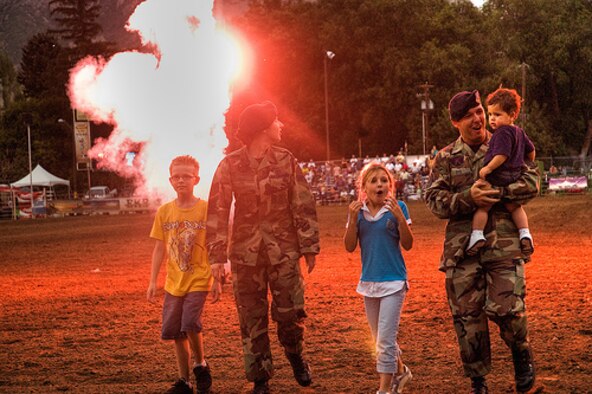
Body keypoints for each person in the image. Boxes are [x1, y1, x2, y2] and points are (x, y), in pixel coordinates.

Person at [425, 90, 540, 394]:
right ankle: (478, 381)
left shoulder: (508, 139)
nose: (477, 119)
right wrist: (467, 198)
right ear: (456, 123)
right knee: (468, 319)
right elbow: (434, 200)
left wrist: (499, 194)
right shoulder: (446, 158)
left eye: (479, 111)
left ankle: (521, 352)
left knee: (509, 310)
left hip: (503, 244)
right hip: (462, 250)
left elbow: (532, 182)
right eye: (469, 115)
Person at [206, 101, 320, 394]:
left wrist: (309, 245)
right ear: (263, 128)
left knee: (290, 315)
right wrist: (216, 257)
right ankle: (260, 378)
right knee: (251, 318)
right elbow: (217, 211)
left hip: (283, 253)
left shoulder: (286, 160)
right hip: (245, 255)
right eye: (276, 122)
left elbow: (302, 204)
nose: (281, 126)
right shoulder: (229, 165)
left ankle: (296, 357)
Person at [147, 155, 217, 394]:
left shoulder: (206, 209)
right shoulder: (165, 212)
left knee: (190, 323)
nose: (181, 180)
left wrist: (218, 277)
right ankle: (184, 381)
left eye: (186, 176)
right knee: (176, 331)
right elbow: (159, 248)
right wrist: (152, 280)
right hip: (173, 282)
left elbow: (215, 244)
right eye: (176, 177)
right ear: (170, 180)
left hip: (199, 277)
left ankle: (200, 364)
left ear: (196, 179)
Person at [344, 162, 414, 394]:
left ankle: (384, 389)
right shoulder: (358, 212)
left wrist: (399, 218)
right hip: (369, 283)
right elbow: (349, 246)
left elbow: (408, 244)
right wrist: (353, 219)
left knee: (384, 341)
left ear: (390, 185)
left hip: (394, 282)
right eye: (374, 181)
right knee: (381, 339)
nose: (380, 184)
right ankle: (402, 371)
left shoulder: (399, 207)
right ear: (364, 187)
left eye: (384, 180)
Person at [467, 88, 536, 256]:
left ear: (512, 115)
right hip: (515, 175)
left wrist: (488, 168)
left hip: (499, 175)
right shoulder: (519, 131)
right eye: (490, 114)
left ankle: (476, 235)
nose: (492, 119)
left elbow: (501, 155)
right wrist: (526, 163)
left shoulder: (501, 132)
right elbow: (531, 150)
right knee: (514, 207)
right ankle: (525, 233)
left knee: (483, 206)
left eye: (497, 115)